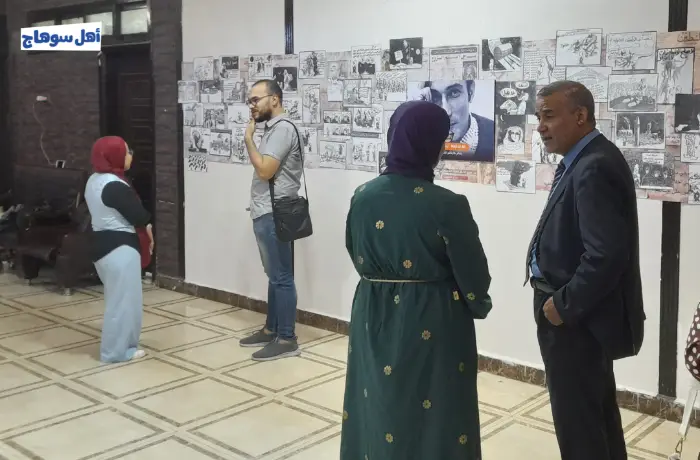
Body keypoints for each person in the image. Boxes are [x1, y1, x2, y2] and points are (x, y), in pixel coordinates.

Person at [341, 100, 492, 460]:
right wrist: (478, 302)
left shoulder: (363, 196)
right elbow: (473, 274)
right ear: (432, 145)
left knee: (377, 401)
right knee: (436, 410)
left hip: (372, 315)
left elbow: (354, 249)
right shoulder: (447, 205)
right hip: (432, 318)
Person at [525, 81, 645, 460]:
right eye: (538, 117)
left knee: (579, 427)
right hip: (576, 314)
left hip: (575, 319)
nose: (540, 126)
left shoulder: (594, 165)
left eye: (549, 116)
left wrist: (563, 306)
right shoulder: (587, 158)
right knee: (596, 419)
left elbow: (606, 254)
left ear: (580, 116)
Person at [239, 79, 303, 361]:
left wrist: (248, 140)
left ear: (274, 99)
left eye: (256, 99)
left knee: (281, 277)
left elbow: (265, 171)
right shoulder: (275, 129)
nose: (252, 106)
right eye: (250, 101)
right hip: (268, 210)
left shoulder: (282, 129)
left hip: (274, 211)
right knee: (275, 275)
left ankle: (287, 338)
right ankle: (271, 329)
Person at [85, 136, 154, 363]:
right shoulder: (114, 185)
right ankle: (116, 352)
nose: (130, 155)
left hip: (102, 246)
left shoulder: (94, 180)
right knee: (123, 304)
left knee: (117, 301)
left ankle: (121, 347)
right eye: (126, 151)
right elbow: (139, 216)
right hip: (120, 248)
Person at [415, 80, 495, 162]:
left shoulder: (496, 134)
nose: (446, 112)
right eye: (435, 97)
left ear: (470, 92)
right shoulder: (420, 137)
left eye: (454, 93)